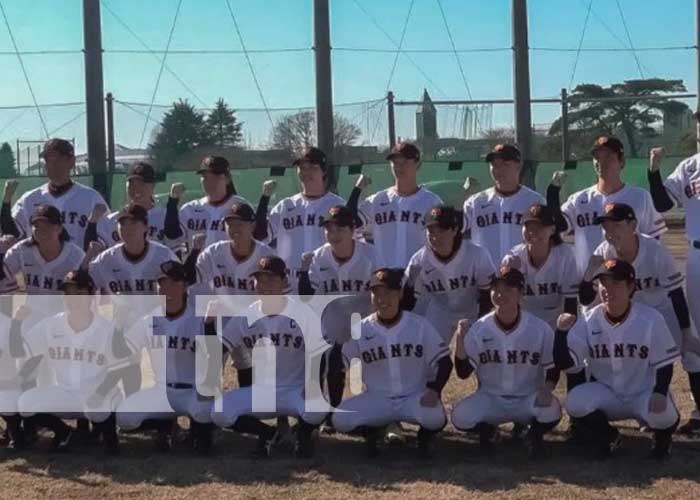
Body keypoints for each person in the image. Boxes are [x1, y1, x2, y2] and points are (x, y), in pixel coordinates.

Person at [577, 202, 700, 434]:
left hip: (661, 314)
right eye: (605, 226)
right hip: (624, 314)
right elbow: (585, 299)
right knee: (631, 360)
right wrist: (587, 276)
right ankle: (644, 408)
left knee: (690, 357)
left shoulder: (654, 251)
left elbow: (675, 293)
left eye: (616, 224)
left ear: (633, 224)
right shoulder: (603, 252)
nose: (610, 231)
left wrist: (686, 332)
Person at [554, 259, 680, 460]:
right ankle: (609, 436)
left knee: (666, 415)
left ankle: (662, 440)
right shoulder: (588, 319)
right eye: (604, 283)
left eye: (616, 283)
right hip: (608, 393)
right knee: (575, 402)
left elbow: (664, 362)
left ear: (631, 287)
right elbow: (567, 363)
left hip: (642, 392)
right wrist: (560, 334)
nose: (608, 289)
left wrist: (660, 391)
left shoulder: (650, 318)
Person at [205, 256, 327, 459]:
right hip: (261, 392)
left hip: (294, 390)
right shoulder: (245, 317)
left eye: (270, 279)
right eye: (259, 279)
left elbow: (319, 355)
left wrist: (313, 387)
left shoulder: (303, 313)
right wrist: (209, 324)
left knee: (318, 409)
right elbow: (216, 351)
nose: (264, 285)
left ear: (284, 282)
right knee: (219, 412)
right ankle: (270, 434)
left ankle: (302, 434)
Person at [332, 268, 452, 459]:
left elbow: (445, 362)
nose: (382, 299)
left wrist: (434, 389)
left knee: (435, 418)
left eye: (388, 293)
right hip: (377, 398)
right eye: (376, 293)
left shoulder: (419, 325)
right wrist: (338, 345)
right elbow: (338, 365)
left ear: (400, 294)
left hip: (414, 396)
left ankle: (425, 436)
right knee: (340, 418)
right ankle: (373, 431)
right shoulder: (360, 328)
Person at [450, 266, 561, 458]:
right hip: (491, 398)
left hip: (527, 398)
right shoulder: (479, 328)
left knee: (552, 410)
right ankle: (490, 432)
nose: (500, 294)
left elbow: (552, 368)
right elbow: (463, 372)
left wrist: (547, 388)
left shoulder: (540, 328)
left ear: (521, 294)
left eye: (508, 289)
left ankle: (532, 434)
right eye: (496, 289)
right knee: (460, 416)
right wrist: (460, 340)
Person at [12, 269, 123, 455]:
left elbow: (120, 369)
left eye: (80, 293)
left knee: (100, 408)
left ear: (91, 296)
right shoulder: (51, 325)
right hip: (66, 392)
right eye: (69, 293)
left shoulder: (108, 329)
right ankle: (64, 432)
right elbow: (20, 350)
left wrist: (100, 392)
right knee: (25, 403)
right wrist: (16, 323)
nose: (74, 299)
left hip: (99, 392)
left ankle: (110, 438)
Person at [115, 261, 219, 454]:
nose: (166, 288)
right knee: (124, 418)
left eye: (173, 282)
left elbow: (214, 362)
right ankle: (165, 426)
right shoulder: (149, 321)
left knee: (205, 414)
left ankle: (199, 430)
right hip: (161, 390)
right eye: (162, 283)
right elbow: (122, 352)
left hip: (192, 391)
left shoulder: (200, 319)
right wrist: (119, 324)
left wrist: (210, 329)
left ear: (185, 287)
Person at [297, 205, 382, 432]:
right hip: (334, 312)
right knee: (332, 359)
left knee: (373, 361)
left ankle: (383, 413)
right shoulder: (319, 256)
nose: (333, 234)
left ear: (353, 228)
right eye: (328, 228)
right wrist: (303, 272)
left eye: (339, 228)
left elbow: (384, 292)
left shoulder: (371, 254)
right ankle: (332, 411)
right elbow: (306, 296)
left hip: (365, 312)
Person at [88, 204, 179, 395]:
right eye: (122, 223)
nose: (127, 228)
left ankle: (167, 419)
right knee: (129, 371)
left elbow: (181, 290)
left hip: (159, 324)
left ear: (146, 226)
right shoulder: (106, 259)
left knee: (165, 375)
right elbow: (83, 287)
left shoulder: (163, 256)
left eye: (133, 223)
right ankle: (134, 409)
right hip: (125, 325)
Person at [547, 135, 666, 275]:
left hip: (629, 281)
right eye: (597, 157)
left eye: (608, 157)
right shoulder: (579, 199)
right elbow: (559, 226)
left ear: (621, 162)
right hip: (587, 281)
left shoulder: (640, 197)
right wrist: (553, 193)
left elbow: (654, 239)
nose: (601, 162)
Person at [648, 143, 700, 435]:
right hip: (697, 256)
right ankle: (699, 411)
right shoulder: (690, 166)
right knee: (696, 335)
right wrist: (654, 171)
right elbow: (662, 204)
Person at [254, 147, 345, 288]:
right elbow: (260, 235)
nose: (306, 172)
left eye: (312, 167)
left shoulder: (338, 205)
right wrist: (264, 198)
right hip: (289, 284)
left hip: (326, 281)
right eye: (301, 168)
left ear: (324, 171)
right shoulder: (285, 205)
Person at [404, 205, 496, 342]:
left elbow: (487, 297)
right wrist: (409, 285)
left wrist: (478, 325)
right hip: (440, 315)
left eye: (441, 230)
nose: (435, 237)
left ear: (454, 229)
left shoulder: (477, 255)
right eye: (431, 231)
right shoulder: (419, 260)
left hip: (473, 312)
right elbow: (407, 304)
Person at [0, 204, 96, 333]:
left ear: (60, 229)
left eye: (47, 226)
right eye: (36, 226)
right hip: (30, 318)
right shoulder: (22, 250)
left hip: (63, 321)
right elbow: (3, 275)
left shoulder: (75, 256)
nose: (41, 230)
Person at [353, 142, 442, 269]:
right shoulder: (378, 200)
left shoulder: (431, 202)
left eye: (405, 162)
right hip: (384, 280)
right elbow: (349, 223)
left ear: (418, 164)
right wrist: (357, 189)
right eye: (395, 162)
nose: (399, 167)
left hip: (420, 278)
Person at [7, 138, 109, 247]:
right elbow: (13, 233)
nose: (52, 165)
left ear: (72, 162)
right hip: (38, 263)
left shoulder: (92, 198)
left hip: (80, 262)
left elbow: (107, 237)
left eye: (58, 159)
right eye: (48, 160)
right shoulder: (29, 199)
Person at [463, 144, 545, 266]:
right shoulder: (476, 202)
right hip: (485, 278)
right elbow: (453, 229)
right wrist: (461, 197)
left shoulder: (535, 200)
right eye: (494, 165)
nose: (498, 169)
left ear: (518, 165)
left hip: (523, 277)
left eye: (504, 165)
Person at [501, 203, 579, 330]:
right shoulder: (513, 258)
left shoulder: (566, 255)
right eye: (528, 226)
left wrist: (564, 334)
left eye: (540, 226)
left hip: (556, 323)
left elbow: (571, 302)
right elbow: (506, 301)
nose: (532, 231)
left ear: (552, 230)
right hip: (523, 324)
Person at [166, 155, 249, 252]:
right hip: (197, 265)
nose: (210, 182)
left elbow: (258, 238)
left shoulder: (241, 206)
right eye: (205, 177)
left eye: (215, 177)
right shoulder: (190, 209)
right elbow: (172, 236)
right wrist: (172, 201)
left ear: (227, 179)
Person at [84, 162, 174, 249]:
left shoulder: (166, 217)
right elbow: (92, 250)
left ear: (153, 186)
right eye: (131, 184)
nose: (136, 189)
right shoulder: (112, 220)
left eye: (141, 184)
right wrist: (92, 222)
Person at [196, 202, 275, 296]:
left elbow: (276, 295)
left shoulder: (266, 255)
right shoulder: (211, 254)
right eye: (230, 224)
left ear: (252, 226)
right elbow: (194, 285)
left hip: (254, 310)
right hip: (220, 310)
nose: (234, 228)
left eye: (239, 224)